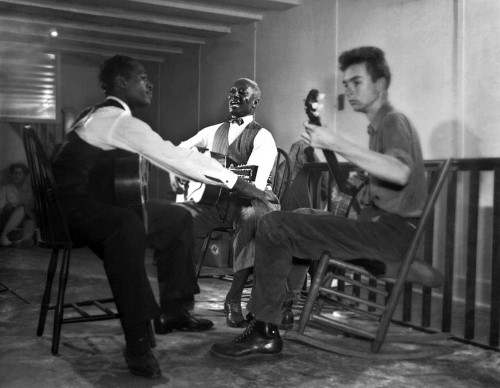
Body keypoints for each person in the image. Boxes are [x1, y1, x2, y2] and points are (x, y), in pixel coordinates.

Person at [209, 46, 444, 359]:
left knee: (275, 225)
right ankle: (283, 306)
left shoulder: (392, 121)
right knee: (300, 216)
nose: (348, 89)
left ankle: (265, 328)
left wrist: (335, 142)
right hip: (376, 230)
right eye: (346, 83)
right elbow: (367, 185)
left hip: (387, 235)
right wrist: (350, 171)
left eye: (356, 82)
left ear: (380, 84)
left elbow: (400, 171)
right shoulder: (379, 129)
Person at [51, 55, 268, 378]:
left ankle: (175, 310)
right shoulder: (115, 120)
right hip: (73, 214)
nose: (149, 83)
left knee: (176, 217)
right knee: (126, 227)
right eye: (141, 77)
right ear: (121, 82)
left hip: (94, 207)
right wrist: (240, 184)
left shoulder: (99, 117)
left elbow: (164, 158)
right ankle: (137, 339)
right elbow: (175, 155)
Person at [172, 78, 280, 328]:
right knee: (179, 218)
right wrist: (178, 171)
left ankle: (233, 299)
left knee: (251, 218)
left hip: (250, 202)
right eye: (231, 92)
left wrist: (218, 171)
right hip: (216, 205)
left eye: (241, 93)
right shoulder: (212, 131)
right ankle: (180, 305)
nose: (233, 96)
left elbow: (253, 184)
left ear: (255, 102)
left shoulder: (263, 138)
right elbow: (180, 149)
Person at [0, 162, 36, 248]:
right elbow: (0, 208)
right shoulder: (5, 188)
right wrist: (8, 207)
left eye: (19, 173)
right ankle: (2, 236)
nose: (16, 175)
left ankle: (22, 241)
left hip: (25, 218)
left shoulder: (30, 191)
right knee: (23, 208)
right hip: (7, 217)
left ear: (25, 176)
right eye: (14, 173)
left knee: (29, 216)